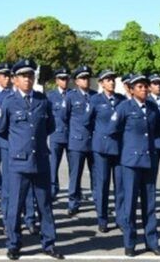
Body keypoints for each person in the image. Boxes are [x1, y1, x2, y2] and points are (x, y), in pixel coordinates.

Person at [0, 59, 64, 260]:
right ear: (15, 80)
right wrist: (18, 146)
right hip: (18, 162)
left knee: (45, 205)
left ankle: (49, 243)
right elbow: (0, 130)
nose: (27, 79)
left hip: (41, 160)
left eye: (30, 75)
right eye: (23, 76)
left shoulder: (43, 101)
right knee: (15, 206)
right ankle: (14, 244)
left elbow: (49, 126)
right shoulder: (8, 102)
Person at [112, 73, 160, 257]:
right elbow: (114, 131)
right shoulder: (124, 107)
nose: (143, 89)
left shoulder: (152, 108)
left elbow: (158, 129)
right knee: (130, 204)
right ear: (132, 90)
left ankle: (152, 242)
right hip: (130, 162)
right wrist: (125, 152)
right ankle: (130, 243)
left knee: (149, 204)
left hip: (149, 161)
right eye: (139, 87)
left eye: (145, 86)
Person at [88, 69, 125, 233]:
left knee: (120, 185)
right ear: (101, 83)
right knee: (102, 184)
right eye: (107, 80)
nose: (111, 82)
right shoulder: (95, 100)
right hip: (101, 148)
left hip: (118, 147)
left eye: (112, 79)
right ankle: (102, 218)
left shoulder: (122, 100)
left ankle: (121, 218)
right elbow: (86, 122)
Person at [64, 65, 96, 217]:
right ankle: (73, 202)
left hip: (94, 141)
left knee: (96, 174)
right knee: (75, 174)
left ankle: (98, 201)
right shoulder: (71, 97)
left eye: (88, 77)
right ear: (76, 81)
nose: (86, 80)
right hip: (77, 141)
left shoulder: (95, 96)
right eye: (83, 78)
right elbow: (64, 117)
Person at [46, 67, 71, 202]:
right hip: (56, 135)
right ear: (56, 80)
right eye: (62, 78)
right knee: (53, 164)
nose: (65, 81)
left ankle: (74, 192)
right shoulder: (50, 96)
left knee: (73, 167)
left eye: (66, 78)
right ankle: (53, 189)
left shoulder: (72, 94)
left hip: (71, 136)